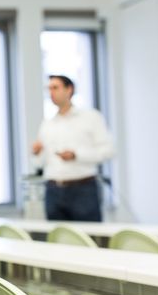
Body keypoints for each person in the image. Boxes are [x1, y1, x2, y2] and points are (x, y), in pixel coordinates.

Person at [32, 75, 114, 221]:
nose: (51, 92)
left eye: (55, 88)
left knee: (88, 238)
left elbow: (108, 151)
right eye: (49, 89)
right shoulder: (47, 124)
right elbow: (39, 164)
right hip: (53, 190)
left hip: (82, 189)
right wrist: (37, 153)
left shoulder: (91, 118)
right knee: (57, 238)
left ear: (69, 89)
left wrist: (76, 155)